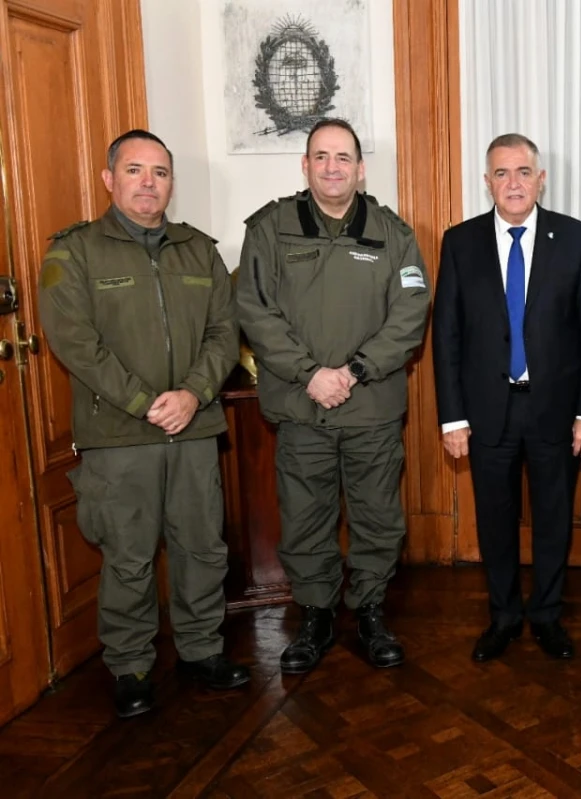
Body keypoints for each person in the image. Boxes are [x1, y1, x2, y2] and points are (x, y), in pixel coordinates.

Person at [39, 129, 247, 718]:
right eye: (135, 170)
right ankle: (130, 666)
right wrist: (144, 402)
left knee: (202, 547)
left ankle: (201, 650)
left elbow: (223, 333)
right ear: (109, 179)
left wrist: (194, 394)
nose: (148, 183)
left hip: (195, 425)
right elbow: (74, 342)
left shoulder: (198, 250)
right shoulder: (73, 252)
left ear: (170, 183)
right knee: (128, 554)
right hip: (119, 435)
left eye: (159, 172)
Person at [237, 118, 431, 674]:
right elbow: (254, 311)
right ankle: (316, 615)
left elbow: (410, 313)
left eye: (343, 157)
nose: (332, 167)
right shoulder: (271, 229)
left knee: (377, 517)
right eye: (320, 156)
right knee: (305, 518)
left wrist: (356, 370)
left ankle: (370, 610)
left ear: (360, 168)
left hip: (370, 407)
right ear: (305, 165)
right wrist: (311, 373)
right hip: (302, 408)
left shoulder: (394, 234)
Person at [433, 133, 581, 662]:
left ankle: (548, 615)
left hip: (554, 409)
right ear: (487, 182)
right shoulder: (459, 242)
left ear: (541, 178)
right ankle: (505, 615)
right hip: (488, 411)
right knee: (495, 519)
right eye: (502, 174)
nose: (513, 183)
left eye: (523, 172)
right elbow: (447, 336)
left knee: (554, 517)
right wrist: (452, 418)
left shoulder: (575, 239)